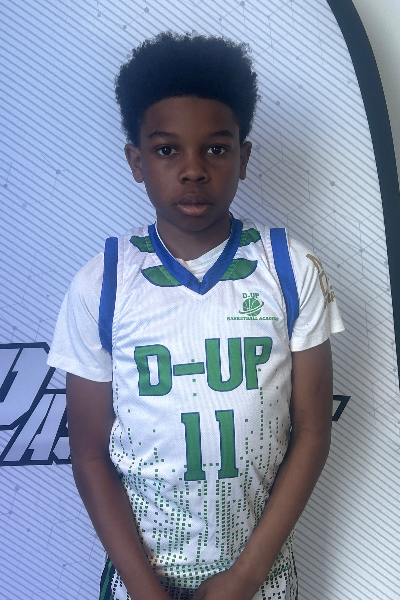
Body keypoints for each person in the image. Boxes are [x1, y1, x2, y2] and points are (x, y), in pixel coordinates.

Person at [47, 32, 344, 600]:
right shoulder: (103, 282)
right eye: (167, 150)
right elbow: (88, 452)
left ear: (243, 157)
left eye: (216, 148)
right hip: (142, 582)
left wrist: (245, 577)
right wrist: (143, 587)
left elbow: (311, 430)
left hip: (259, 580)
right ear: (136, 160)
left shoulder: (289, 267)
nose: (193, 170)